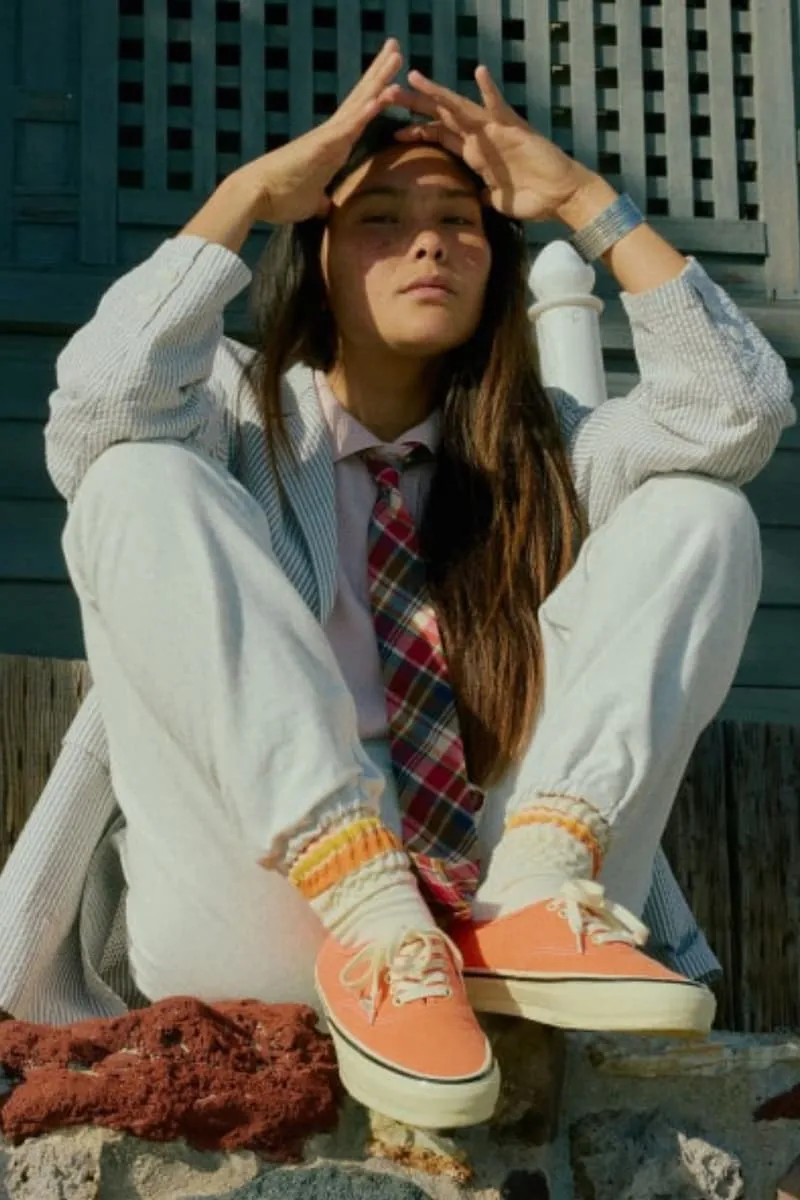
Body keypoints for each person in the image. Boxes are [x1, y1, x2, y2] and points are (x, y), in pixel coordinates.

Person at [0, 38, 794, 1129]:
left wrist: (584, 199)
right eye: (381, 216)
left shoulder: (549, 454)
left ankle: (532, 900)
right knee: (133, 482)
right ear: (317, 254)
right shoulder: (227, 420)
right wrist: (242, 197)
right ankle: (378, 916)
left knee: (703, 511)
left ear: (494, 264)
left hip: (493, 892)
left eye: (459, 220)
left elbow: (734, 416)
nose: (427, 238)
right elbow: (92, 415)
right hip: (269, 904)